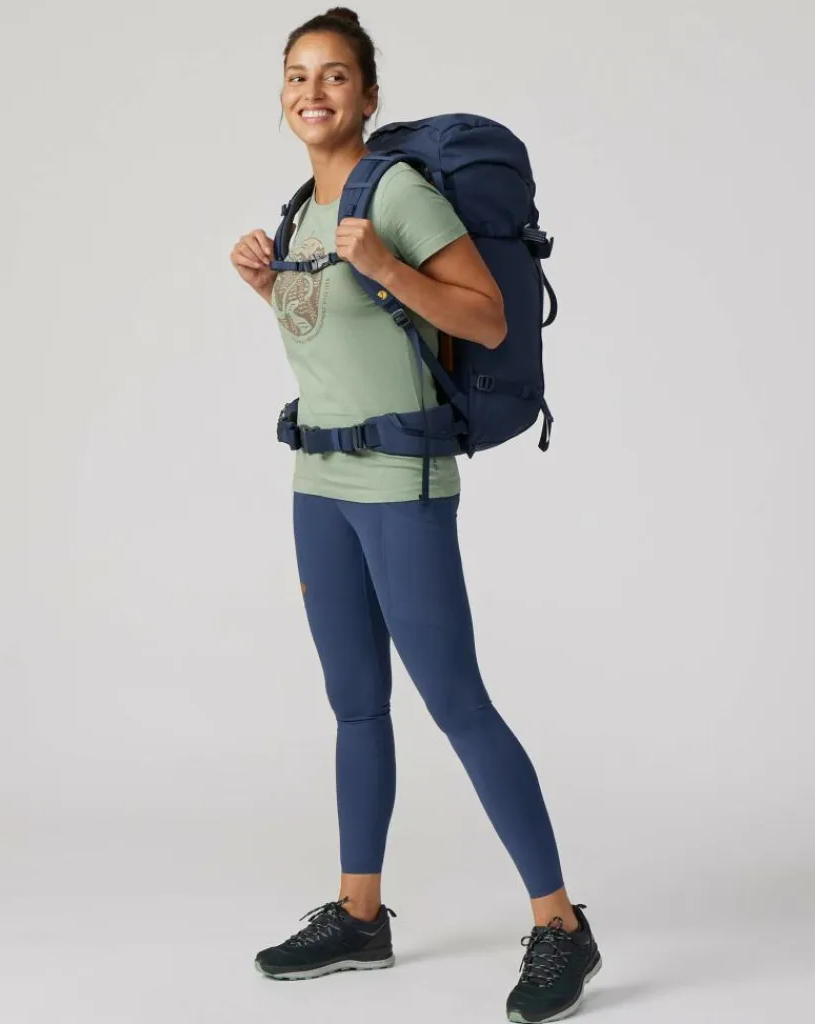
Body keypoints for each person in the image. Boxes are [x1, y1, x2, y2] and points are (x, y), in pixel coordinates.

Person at [229, 9, 601, 1022]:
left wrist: (390, 266)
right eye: (297, 75)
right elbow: (343, 337)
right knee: (355, 703)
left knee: (457, 702)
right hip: (319, 485)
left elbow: (486, 316)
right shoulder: (302, 210)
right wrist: (268, 286)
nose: (313, 92)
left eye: (334, 75)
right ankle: (360, 915)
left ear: (367, 94)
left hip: (400, 484)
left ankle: (562, 925)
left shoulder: (394, 192)